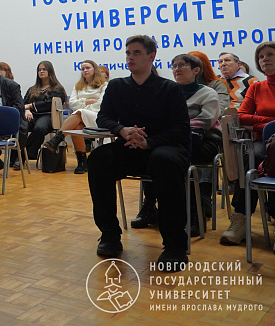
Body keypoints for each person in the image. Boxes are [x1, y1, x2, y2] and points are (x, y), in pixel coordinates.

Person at [87, 35, 191, 272]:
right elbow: (104, 117)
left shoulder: (170, 88)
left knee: (164, 161)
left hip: (164, 147)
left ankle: (174, 245)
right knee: (99, 160)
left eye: (136, 53)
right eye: (128, 53)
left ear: (151, 56)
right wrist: (121, 130)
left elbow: (180, 128)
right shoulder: (117, 86)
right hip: (129, 145)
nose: (130, 57)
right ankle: (109, 235)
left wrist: (149, 142)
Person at [131, 54, 222, 237]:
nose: (177, 69)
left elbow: (205, 121)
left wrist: (175, 127)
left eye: (182, 65)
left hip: (203, 141)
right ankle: (150, 205)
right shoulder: (167, 92)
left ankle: (195, 213)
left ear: (196, 70)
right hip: (173, 140)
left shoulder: (208, 93)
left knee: (177, 160)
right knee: (152, 156)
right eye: (174, 66)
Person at [219, 41, 275, 245]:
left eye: (270, 54)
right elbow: (241, 116)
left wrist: (258, 123)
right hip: (264, 141)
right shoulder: (257, 87)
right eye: (261, 56)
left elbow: (250, 119)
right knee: (248, 156)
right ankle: (241, 218)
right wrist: (270, 123)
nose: (264, 59)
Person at [43, 59, 108, 174]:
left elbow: (101, 104)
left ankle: (58, 138)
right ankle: (82, 161)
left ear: (94, 69)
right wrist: (88, 101)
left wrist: (82, 105)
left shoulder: (104, 85)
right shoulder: (78, 86)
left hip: (97, 116)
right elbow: (72, 104)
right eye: (83, 69)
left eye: (88, 68)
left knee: (79, 112)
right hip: (81, 116)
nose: (85, 70)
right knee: (76, 127)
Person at [22, 61, 68, 163]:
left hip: (49, 116)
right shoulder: (32, 89)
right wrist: (27, 110)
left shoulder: (57, 89)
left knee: (40, 127)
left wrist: (30, 106)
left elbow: (49, 104)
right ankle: (14, 158)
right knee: (19, 126)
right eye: (39, 70)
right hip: (31, 115)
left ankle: (23, 155)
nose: (41, 71)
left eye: (44, 69)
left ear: (50, 71)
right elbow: (23, 103)